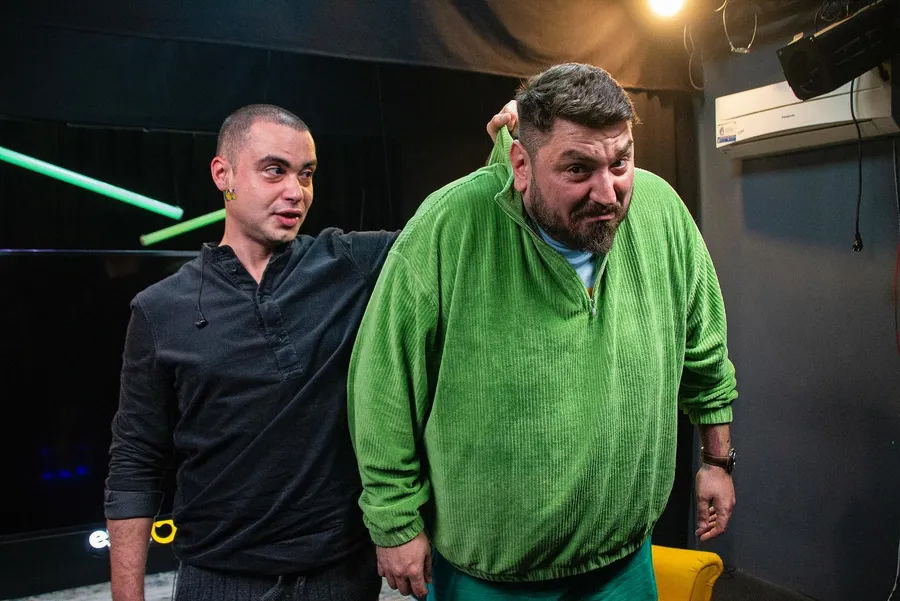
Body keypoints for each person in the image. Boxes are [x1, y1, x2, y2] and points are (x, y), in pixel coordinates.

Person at [347, 63, 738, 600]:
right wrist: (394, 522)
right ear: (521, 164)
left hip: (623, 562)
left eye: (620, 162)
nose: (608, 193)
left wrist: (717, 460)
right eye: (578, 169)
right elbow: (383, 387)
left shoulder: (661, 211)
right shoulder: (449, 225)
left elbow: (704, 350)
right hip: (493, 576)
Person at [104, 103, 513, 601]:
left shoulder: (348, 264)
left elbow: (450, 228)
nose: (295, 192)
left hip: (341, 575)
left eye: (306, 174)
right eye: (274, 171)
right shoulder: (160, 309)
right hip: (220, 577)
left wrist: (509, 146)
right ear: (223, 174)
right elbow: (136, 459)